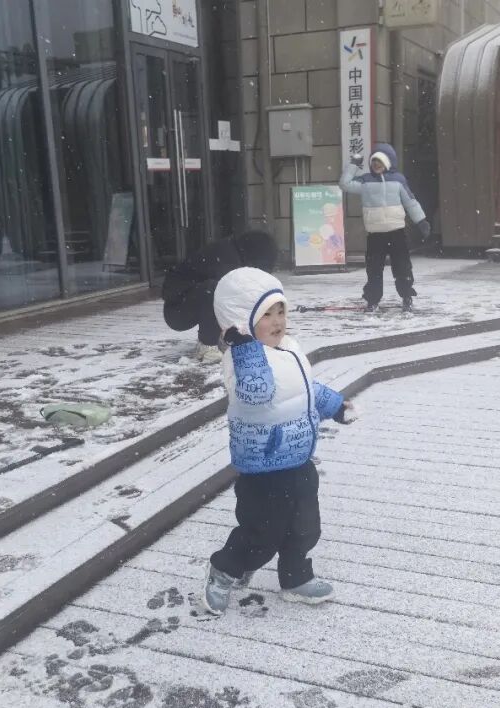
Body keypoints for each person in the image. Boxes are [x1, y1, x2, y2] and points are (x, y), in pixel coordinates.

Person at [202, 265, 358, 614]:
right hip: (263, 468)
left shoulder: (289, 348)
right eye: (266, 315)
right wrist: (244, 348)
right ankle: (224, 570)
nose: (277, 322)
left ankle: (295, 577)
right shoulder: (239, 361)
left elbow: (304, 389)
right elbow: (256, 395)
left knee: (305, 526)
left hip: (298, 459)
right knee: (261, 534)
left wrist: (334, 406)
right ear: (242, 322)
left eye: (280, 311)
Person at [339, 142, 431, 312]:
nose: (376, 164)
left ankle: (406, 296)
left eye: (380, 161)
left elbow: (410, 202)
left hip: (397, 233)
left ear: (388, 162)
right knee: (374, 270)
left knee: (402, 267)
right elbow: (344, 184)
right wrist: (353, 165)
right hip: (375, 235)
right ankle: (372, 300)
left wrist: (421, 221)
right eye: (374, 161)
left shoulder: (398, 180)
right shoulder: (365, 181)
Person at [161, 229, 278, 363]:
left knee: (220, 292)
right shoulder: (227, 259)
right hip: (177, 311)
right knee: (215, 290)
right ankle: (207, 345)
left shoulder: (234, 252)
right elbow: (236, 301)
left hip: (186, 302)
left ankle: (220, 338)